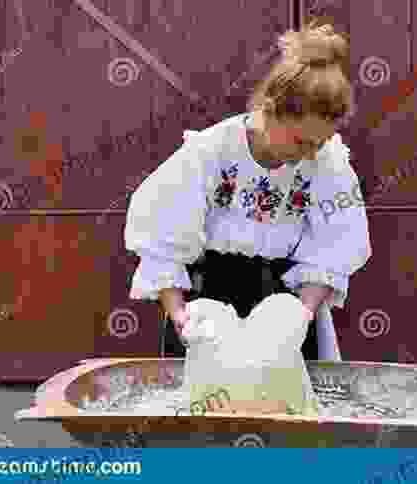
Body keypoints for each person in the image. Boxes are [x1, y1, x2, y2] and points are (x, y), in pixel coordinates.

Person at [124, 21, 372, 361]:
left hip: (284, 305)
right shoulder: (211, 151)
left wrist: (300, 317)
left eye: (321, 142)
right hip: (208, 299)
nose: (310, 153)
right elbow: (163, 238)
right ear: (270, 110)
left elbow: (335, 245)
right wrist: (181, 316)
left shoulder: (326, 161)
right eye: (302, 141)